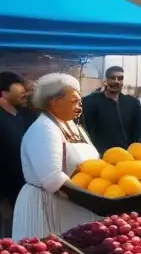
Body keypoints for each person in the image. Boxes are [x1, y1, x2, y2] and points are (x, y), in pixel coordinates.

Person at [13, 74, 101, 237]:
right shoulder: (44, 129)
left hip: (73, 207)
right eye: (73, 101)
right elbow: (52, 178)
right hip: (47, 206)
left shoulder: (74, 126)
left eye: (80, 101)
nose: (79, 106)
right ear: (54, 102)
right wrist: (94, 201)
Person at [0, 72, 36, 236]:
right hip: (5, 196)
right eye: (18, 85)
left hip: (27, 191)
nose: (25, 90)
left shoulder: (27, 115)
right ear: (4, 92)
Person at [80, 66, 141, 154]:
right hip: (100, 155)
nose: (116, 81)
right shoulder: (90, 102)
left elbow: (140, 128)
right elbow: (84, 128)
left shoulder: (132, 103)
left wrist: (135, 149)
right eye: (112, 78)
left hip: (127, 155)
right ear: (105, 81)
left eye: (120, 78)